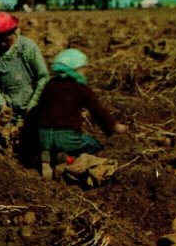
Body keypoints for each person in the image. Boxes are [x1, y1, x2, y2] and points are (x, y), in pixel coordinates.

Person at [34, 48, 128, 179]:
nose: (85, 72)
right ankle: (69, 159)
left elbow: (39, 108)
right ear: (76, 69)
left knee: (54, 145)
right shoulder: (81, 89)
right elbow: (98, 110)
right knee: (93, 144)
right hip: (66, 136)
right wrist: (113, 126)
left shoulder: (49, 85)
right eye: (84, 68)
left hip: (43, 136)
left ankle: (47, 157)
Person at [0, 11, 49, 120]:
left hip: (31, 106)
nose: (0, 43)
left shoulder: (27, 47)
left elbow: (43, 77)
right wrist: (1, 105)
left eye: (4, 39)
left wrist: (33, 105)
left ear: (12, 32)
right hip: (7, 109)